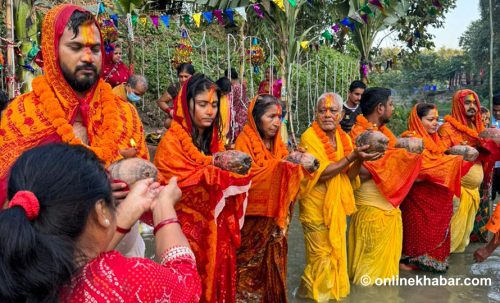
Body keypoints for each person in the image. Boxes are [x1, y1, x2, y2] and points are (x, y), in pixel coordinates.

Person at [0, 143, 201, 302]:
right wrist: (164, 207)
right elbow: (186, 285)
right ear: (101, 210)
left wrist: (124, 215)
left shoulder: (12, 262)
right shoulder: (118, 281)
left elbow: (80, 256)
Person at [0, 4, 148, 205]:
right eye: (76, 47)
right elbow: (7, 198)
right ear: (53, 50)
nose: (88, 58)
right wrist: (87, 191)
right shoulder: (21, 115)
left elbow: (146, 186)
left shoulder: (125, 115)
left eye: (95, 49)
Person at [154, 74, 252, 303]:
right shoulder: (171, 142)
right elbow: (168, 185)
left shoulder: (214, 142)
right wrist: (210, 173)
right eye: (202, 104)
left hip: (216, 231)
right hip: (184, 233)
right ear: (187, 105)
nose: (210, 111)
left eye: (215, 105)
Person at [296, 93, 381, 302]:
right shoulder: (309, 137)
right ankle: (312, 296)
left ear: (342, 115)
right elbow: (321, 173)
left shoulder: (344, 139)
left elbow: (348, 176)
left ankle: (328, 295)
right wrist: (352, 156)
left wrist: (359, 160)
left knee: (334, 255)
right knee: (320, 259)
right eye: (322, 111)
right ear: (315, 114)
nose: (327, 115)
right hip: (316, 208)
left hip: (336, 209)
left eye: (332, 111)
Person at [234, 94, 308, 302]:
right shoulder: (244, 143)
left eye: (279, 117)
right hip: (251, 225)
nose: (277, 122)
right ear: (256, 117)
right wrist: (280, 169)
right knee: (246, 273)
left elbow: (289, 182)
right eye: (271, 117)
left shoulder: (279, 146)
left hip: (276, 223)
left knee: (272, 272)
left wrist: (292, 165)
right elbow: (245, 182)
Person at [348, 88, 422, 285]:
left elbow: (392, 165)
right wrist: (391, 160)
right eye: (390, 105)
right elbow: (358, 173)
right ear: (380, 108)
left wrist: (401, 155)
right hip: (371, 215)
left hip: (390, 215)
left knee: (386, 281)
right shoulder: (359, 136)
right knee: (367, 279)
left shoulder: (386, 138)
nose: (392, 108)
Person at [399, 103, 463, 272]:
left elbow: (439, 165)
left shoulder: (437, 141)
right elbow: (420, 171)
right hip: (418, 201)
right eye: (430, 119)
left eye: (437, 119)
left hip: (438, 203)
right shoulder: (409, 141)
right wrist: (450, 163)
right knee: (412, 258)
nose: (435, 123)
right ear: (418, 121)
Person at [438, 89, 489, 253]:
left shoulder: (478, 127)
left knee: (463, 242)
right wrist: (460, 151)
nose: (472, 106)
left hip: (474, 192)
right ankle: (445, 275)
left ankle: (459, 274)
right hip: (457, 193)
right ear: (458, 105)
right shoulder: (446, 129)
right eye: (467, 103)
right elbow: (441, 157)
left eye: (474, 103)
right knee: (451, 240)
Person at [225, 68, 249, 143]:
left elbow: (230, 102)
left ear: (229, 77)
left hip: (237, 114)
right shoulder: (242, 85)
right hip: (244, 112)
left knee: (236, 136)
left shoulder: (233, 88)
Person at [215, 77, 232, 145]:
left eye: (225, 93)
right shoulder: (212, 96)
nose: (223, 95)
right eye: (222, 92)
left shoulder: (225, 98)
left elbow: (226, 113)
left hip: (222, 127)